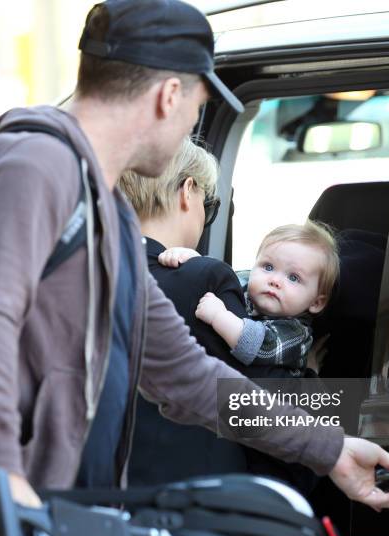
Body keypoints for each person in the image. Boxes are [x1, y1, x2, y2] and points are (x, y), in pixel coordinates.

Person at [0, 0, 389, 516]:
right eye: (197, 110)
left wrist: (328, 449)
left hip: (62, 515)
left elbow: (185, 374)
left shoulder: (109, 215)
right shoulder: (32, 167)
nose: (192, 126)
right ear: (171, 95)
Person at [121, 137, 319, 494]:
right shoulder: (205, 278)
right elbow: (258, 397)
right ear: (187, 191)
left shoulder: (95, 269)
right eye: (209, 207)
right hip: (200, 497)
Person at [171, 221, 338, 376]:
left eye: (293, 278)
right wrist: (194, 261)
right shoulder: (252, 282)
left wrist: (218, 316)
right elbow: (221, 275)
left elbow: (257, 346)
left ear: (316, 302)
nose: (275, 280)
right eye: (268, 266)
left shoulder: (296, 333)